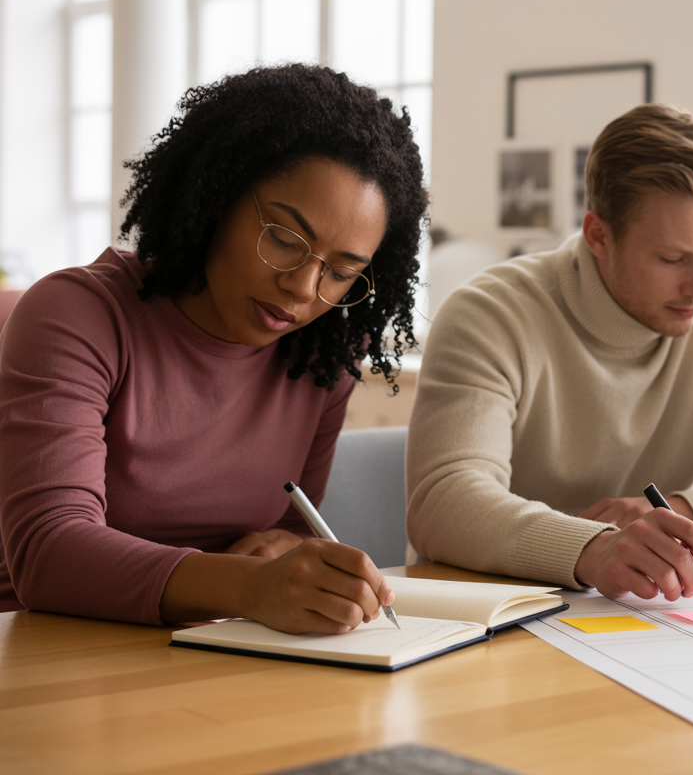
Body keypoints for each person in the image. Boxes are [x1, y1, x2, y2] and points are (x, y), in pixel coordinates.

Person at [0, 64, 429, 633]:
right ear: (216, 195)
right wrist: (250, 585)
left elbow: (294, 525)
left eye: (343, 272)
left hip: (218, 651)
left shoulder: (324, 357)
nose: (303, 290)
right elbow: (49, 553)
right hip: (49, 654)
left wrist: (284, 552)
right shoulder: (79, 315)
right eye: (283, 239)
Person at [406, 103, 693, 600]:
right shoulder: (489, 315)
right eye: (673, 258)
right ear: (598, 235)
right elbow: (442, 504)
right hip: (493, 610)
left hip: (634, 612)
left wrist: (674, 511)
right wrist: (595, 548)